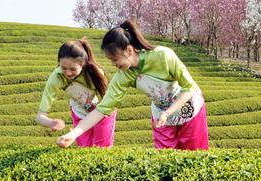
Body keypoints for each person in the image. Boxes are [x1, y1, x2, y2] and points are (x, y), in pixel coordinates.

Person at [56, 19, 209, 150]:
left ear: (129, 50)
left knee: (193, 156)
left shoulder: (163, 56)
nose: (114, 65)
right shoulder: (124, 75)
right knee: (166, 160)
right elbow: (103, 109)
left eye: (115, 60)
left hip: (188, 107)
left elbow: (190, 87)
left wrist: (168, 112)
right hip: (161, 115)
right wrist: (73, 134)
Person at [36, 39, 116, 147]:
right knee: (83, 149)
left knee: (102, 148)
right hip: (79, 112)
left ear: (83, 64)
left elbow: (107, 104)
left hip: (102, 112)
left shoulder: (95, 73)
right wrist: (51, 123)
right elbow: (40, 116)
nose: (68, 73)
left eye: (73, 69)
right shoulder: (57, 77)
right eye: (63, 68)